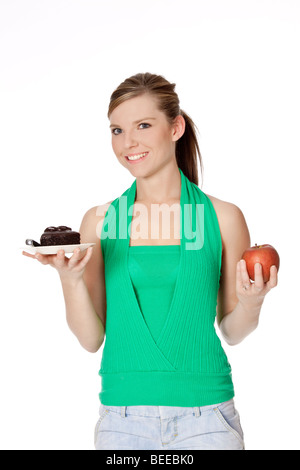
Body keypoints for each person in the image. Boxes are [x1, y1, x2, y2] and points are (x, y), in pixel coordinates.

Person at [22, 73, 278, 450]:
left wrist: (253, 303)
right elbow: (91, 340)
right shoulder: (100, 221)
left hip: (206, 419)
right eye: (117, 130)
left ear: (176, 127)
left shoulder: (220, 217)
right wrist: (69, 279)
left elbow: (233, 331)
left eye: (143, 125)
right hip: (123, 422)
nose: (129, 143)